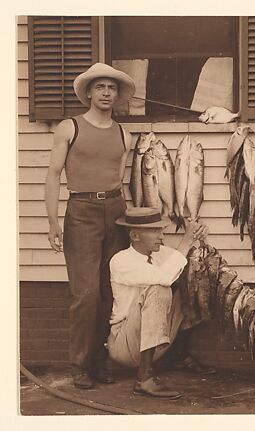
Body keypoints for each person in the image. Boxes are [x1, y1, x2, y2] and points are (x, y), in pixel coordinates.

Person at [45, 63, 136, 389]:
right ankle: (80, 365)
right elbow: (54, 175)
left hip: (115, 210)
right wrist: (53, 222)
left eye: (112, 88)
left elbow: (121, 181)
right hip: (81, 211)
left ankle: (100, 360)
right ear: (89, 92)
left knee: (109, 290)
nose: (107, 93)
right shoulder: (70, 128)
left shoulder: (124, 133)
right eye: (100, 87)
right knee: (86, 293)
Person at [108, 207, 215, 400]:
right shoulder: (121, 260)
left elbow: (182, 262)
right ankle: (144, 378)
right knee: (158, 289)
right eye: (154, 230)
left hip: (154, 344)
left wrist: (199, 236)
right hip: (125, 345)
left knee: (192, 283)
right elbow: (164, 278)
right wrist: (186, 240)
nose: (161, 235)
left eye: (161, 230)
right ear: (134, 235)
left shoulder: (161, 253)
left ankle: (178, 355)